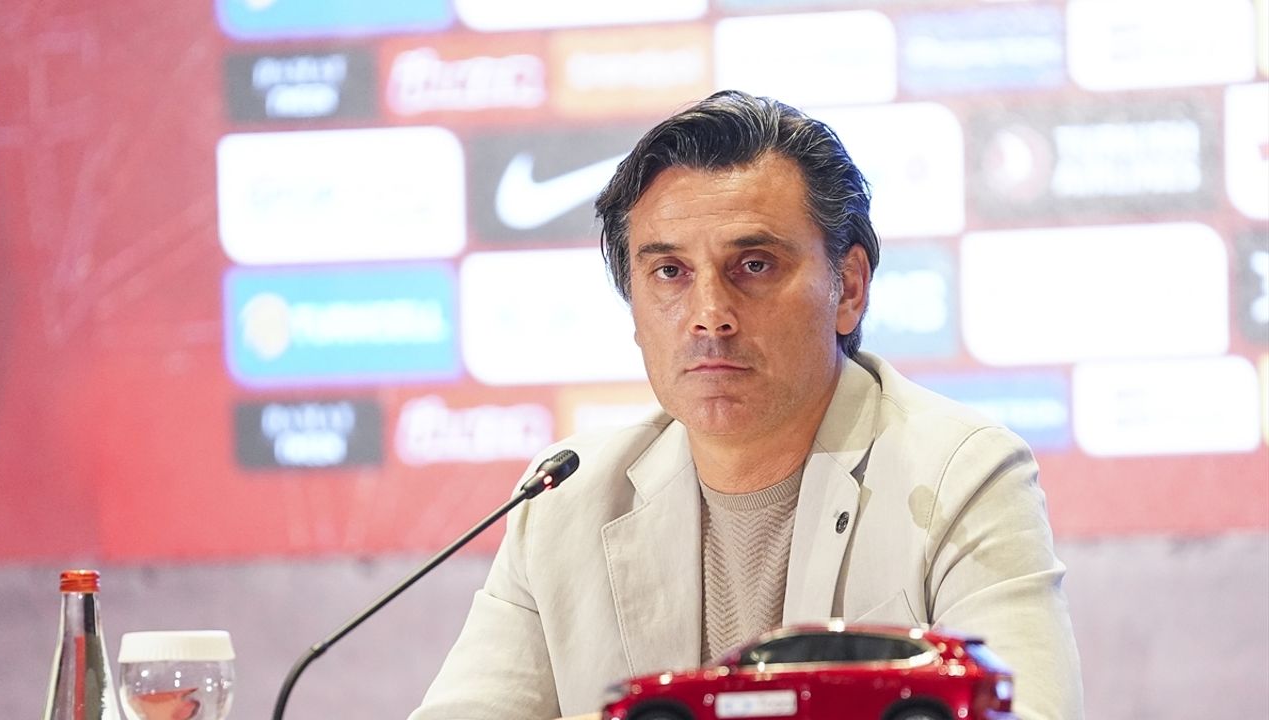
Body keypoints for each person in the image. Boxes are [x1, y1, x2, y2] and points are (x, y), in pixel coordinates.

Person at [411, 90, 1083, 720]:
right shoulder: (565, 500)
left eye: (754, 265)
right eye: (670, 272)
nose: (710, 314)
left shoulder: (960, 475)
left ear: (848, 288)